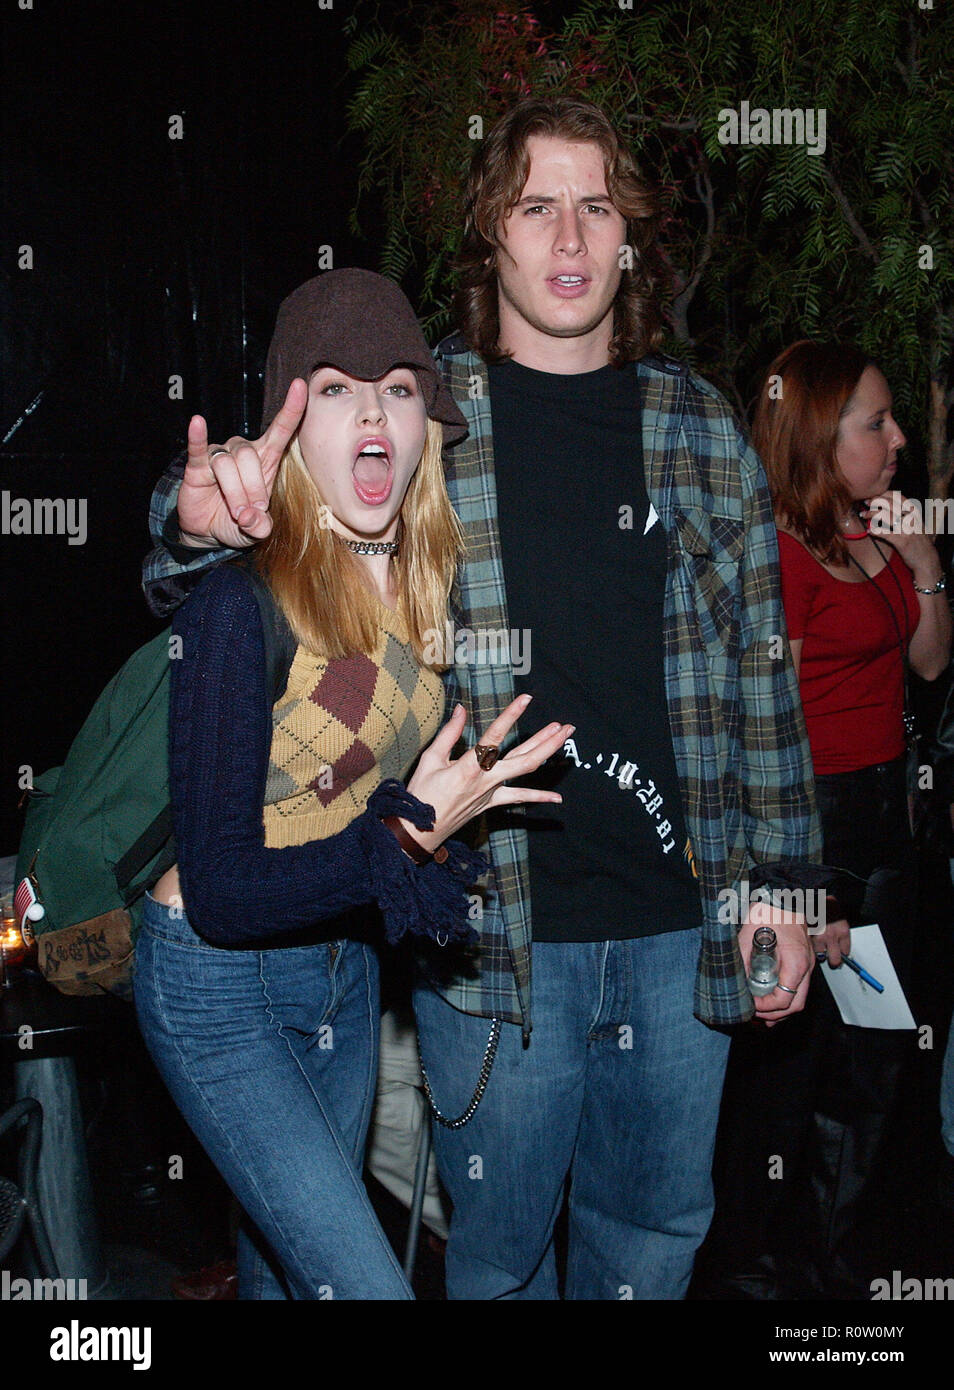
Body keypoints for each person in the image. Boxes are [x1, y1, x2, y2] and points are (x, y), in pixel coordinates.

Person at [141, 96, 824, 1300]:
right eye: (536, 205)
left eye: (597, 205)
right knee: (497, 1261)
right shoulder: (424, 411)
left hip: (682, 930)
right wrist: (185, 530)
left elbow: (766, 678)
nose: (568, 235)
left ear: (629, 240)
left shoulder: (706, 429)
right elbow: (259, 520)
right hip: (496, 937)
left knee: (653, 1241)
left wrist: (788, 884)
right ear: (492, 235)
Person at [133, 267, 571, 1301]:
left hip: (340, 972)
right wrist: (410, 838)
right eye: (334, 387)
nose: (373, 410)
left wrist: (421, 811)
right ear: (288, 427)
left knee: (285, 1274)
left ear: (428, 423)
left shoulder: (429, 587)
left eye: (398, 388)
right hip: (212, 979)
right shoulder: (239, 602)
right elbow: (230, 889)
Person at [704, 340, 950, 1298]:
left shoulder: (879, 535)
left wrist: (924, 558)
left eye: (893, 419)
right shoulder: (775, 553)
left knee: (874, 1065)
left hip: (886, 832)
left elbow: (929, 666)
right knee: (781, 1084)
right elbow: (754, 726)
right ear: (816, 436)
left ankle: (830, 1276)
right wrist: (797, 886)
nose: (897, 441)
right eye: (875, 423)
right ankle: (753, 1279)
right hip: (805, 840)